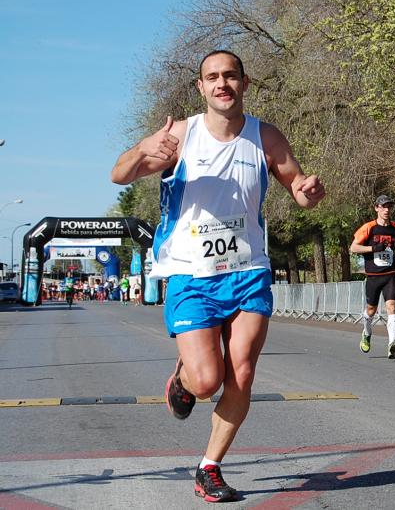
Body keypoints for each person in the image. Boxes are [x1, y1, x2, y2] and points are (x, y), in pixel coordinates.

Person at [110, 49, 325, 502]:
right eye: (213, 77)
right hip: (191, 274)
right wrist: (143, 150)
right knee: (208, 381)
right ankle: (184, 380)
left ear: (245, 83)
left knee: (242, 373)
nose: (222, 83)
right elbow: (119, 175)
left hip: (248, 271)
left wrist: (308, 192)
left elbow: (300, 190)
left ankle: (209, 467)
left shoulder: (265, 136)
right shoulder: (181, 136)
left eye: (230, 76)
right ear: (201, 87)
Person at [350, 195, 395, 359]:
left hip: (390, 275)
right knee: (371, 310)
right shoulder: (369, 228)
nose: (387, 210)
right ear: (377, 208)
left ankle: (392, 345)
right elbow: (354, 247)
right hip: (373, 276)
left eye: (389, 207)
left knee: (392, 308)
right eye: (383, 207)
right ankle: (366, 333)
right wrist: (373, 249)